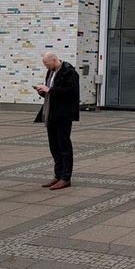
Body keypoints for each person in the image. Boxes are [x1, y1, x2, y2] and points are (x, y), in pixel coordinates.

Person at [34, 52, 80, 190]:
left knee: (64, 145)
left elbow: (71, 93)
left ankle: (66, 178)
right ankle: (58, 174)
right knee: (54, 146)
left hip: (63, 114)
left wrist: (50, 89)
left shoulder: (69, 72)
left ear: (54, 60)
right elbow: (52, 91)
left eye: (47, 64)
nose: (46, 67)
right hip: (51, 113)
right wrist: (43, 91)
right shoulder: (50, 71)